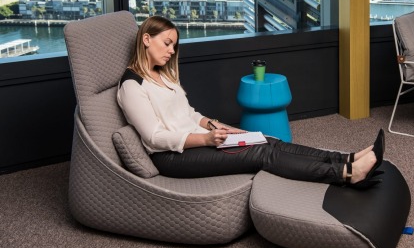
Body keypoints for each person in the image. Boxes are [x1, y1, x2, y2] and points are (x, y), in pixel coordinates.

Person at [117, 16, 384, 188]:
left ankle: (344, 158)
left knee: (268, 140)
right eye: (167, 43)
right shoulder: (132, 85)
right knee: (262, 154)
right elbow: (154, 138)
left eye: (174, 45)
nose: (172, 51)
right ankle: (347, 174)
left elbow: (189, 113)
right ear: (146, 39)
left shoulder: (163, 75)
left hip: (199, 140)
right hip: (174, 158)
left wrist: (220, 128)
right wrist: (207, 140)